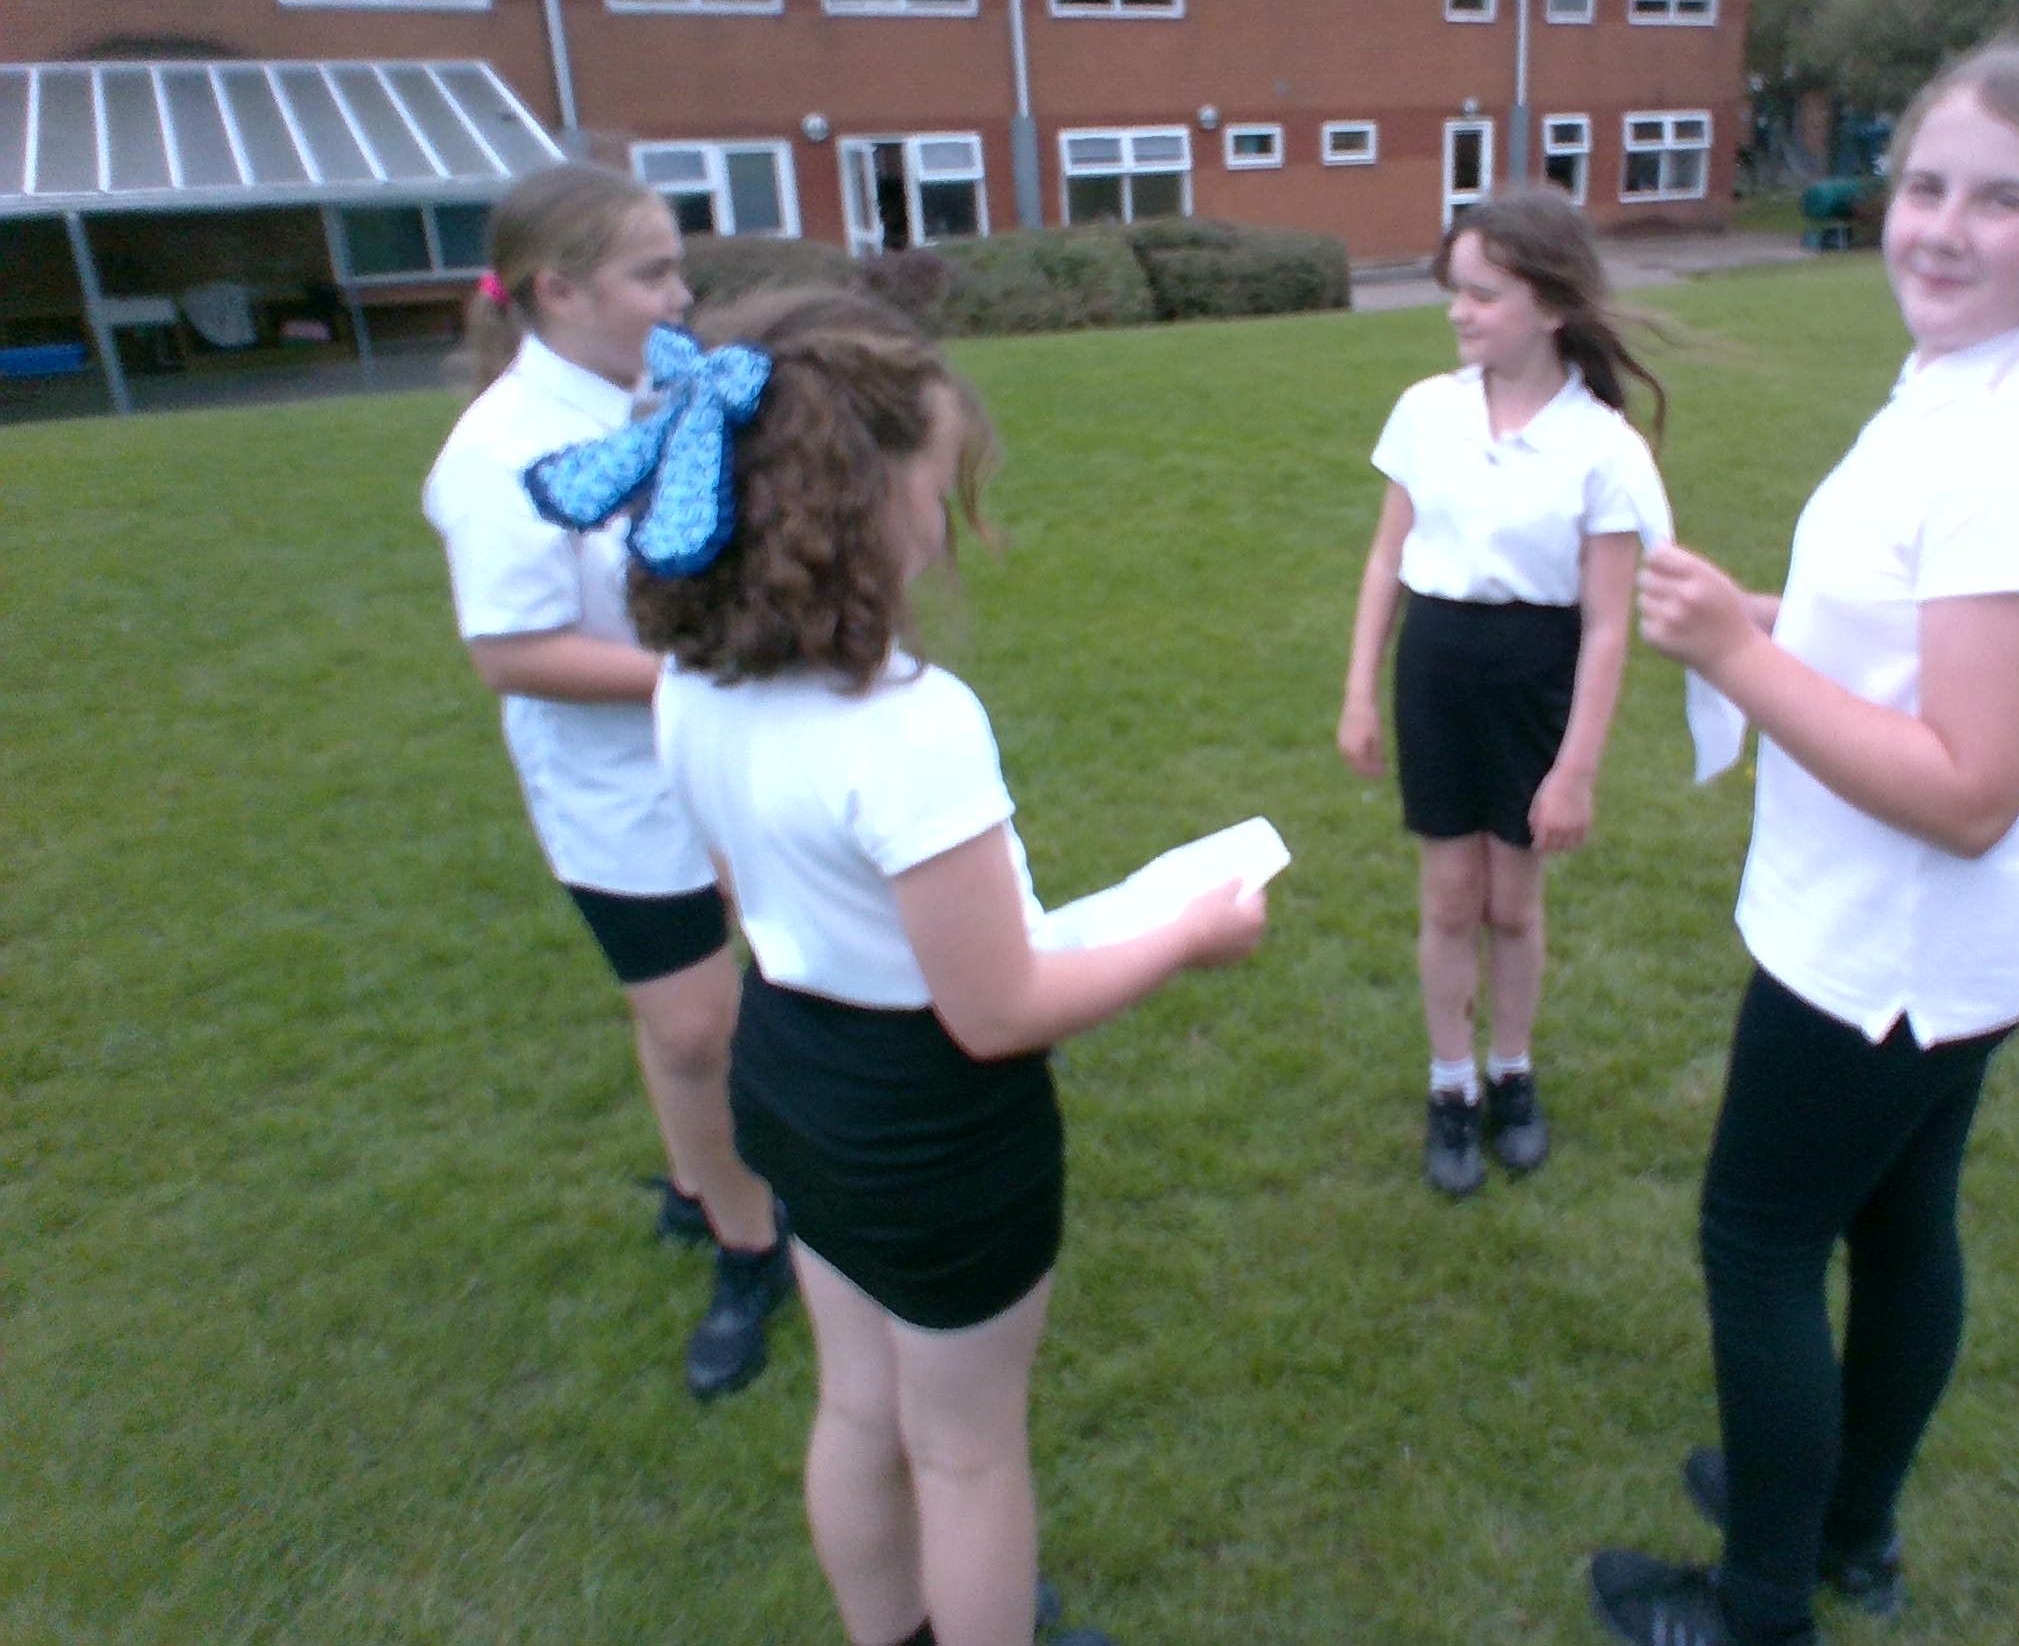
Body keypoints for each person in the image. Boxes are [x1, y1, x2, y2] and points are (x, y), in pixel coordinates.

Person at [534, 285, 1266, 1646]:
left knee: (861, 1403)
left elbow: (749, 890)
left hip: (790, 1068)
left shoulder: (689, 683)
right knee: (968, 1452)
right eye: (935, 480)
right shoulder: (911, 728)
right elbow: (998, 1012)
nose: (943, 513)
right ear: (860, 502)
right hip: (928, 1122)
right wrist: (1187, 932)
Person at [1587, 42, 2019, 1646]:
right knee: (1902, 1223)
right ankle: (1845, 1525)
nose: (1940, 226)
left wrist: (1735, 655)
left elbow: (1970, 785)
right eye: (1925, 184)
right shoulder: (1975, 387)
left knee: (1761, 1246)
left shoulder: (2014, 453)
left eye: (2002, 200)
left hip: (1890, 950)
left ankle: (1764, 1606)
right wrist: (1778, 618)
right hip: (1946, 946)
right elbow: (1925, 635)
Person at [422, 162, 790, 1401]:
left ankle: (698, 1183)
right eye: (653, 273)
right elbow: (511, 653)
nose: (681, 294)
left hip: (716, 758)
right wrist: (699, 674)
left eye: (677, 267)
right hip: (616, 793)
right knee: (695, 1024)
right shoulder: (501, 452)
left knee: (719, 1001)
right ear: (558, 291)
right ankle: (751, 1246)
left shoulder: (660, 391)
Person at [1338, 187, 1672, 1196]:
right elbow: (1387, 558)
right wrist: (1359, 692)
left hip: (1535, 679)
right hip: (1436, 668)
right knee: (1450, 895)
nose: (1459, 310)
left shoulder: (1604, 448)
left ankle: (1511, 1071)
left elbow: (1606, 624)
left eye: (1483, 294)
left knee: (1514, 905)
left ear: (1552, 306)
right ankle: (1452, 1083)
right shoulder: (1426, 412)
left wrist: (1576, 771)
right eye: (1456, 290)